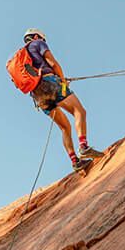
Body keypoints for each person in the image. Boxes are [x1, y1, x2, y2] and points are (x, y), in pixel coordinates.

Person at [20, 29, 99, 170]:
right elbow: (53, 63)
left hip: (37, 94)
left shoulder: (24, 55)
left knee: (64, 127)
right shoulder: (38, 43)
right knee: (79, 111)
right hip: (49, 82)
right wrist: (62, 80)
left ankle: (75, 161)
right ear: (37, 37)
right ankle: (83, 146)